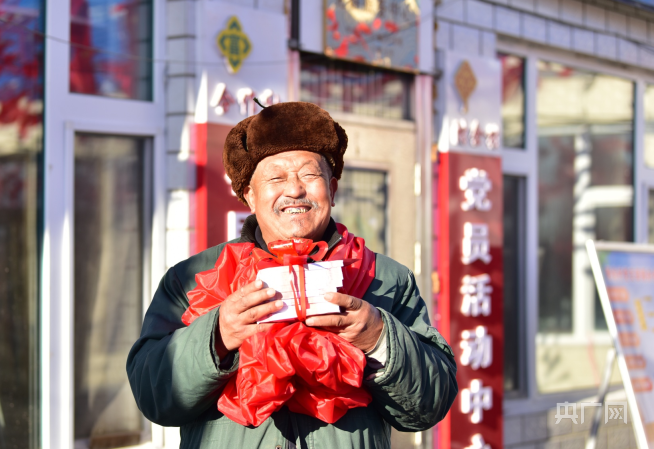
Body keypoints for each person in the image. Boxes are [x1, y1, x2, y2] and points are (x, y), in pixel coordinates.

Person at [126, 102, 457, 449]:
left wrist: (379, 338)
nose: (295, 190)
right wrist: (218, 336)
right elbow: (153, 396)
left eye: (309, 175)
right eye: (276, 178)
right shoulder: (195, 279)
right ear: (250, 196)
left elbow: (430, 406)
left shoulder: (386, 278)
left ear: (332, 187)